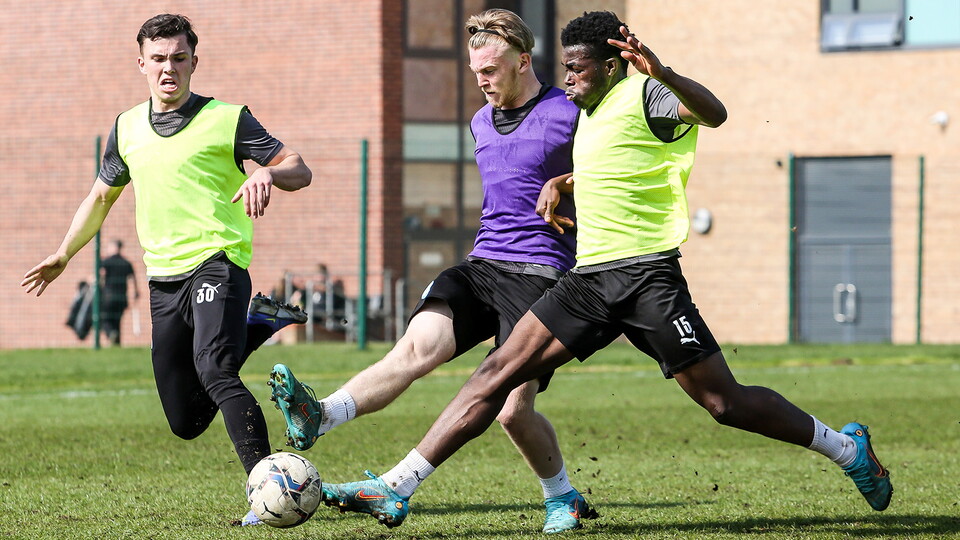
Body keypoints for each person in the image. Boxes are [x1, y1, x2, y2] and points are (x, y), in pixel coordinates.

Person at [310, 10, 893, 529]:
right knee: (495, 374)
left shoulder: (647, 95)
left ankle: (846, 449)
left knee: (724, 404)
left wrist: (663, 73)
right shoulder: (584, 112)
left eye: (578, 68)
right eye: (564, 67)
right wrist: (563, 182)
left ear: (612, 65)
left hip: (648, 279)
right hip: (588, 280)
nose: (567, 78)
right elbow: (612, 164)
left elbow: (713, 114)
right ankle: (397, 486)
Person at [268, 9, 596, 534]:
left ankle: (562, 497)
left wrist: (567, 182)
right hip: (482, 265)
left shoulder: (570, 112)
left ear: (523, 61)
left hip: (543, 275)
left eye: (490, 69)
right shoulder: (480, 121)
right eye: (475, 71)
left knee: (513, 411)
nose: (481, 80)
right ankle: (322, 413)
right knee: (414, 349)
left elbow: (614, 167)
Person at [20, 14, 311, 526]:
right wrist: (64, 253)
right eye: (158, 59)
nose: (168, 68)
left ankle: (267, 490)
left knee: (216, 371)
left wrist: (267, 172)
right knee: (185, 419)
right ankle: (259, 322)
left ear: (195, 62)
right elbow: (100, 197)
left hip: (218, 263)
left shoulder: (228, 118)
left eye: (179, 58)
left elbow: (298, 168)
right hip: (163, 280)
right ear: (141, 64)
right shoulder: (126, 127)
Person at [99, 239, 139, 345]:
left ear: (114, 247)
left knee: (103, 318)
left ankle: (111, 333)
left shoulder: (106, 262)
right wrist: (136, 292)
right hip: (122, 298)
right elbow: (133, 279)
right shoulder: (126, 263)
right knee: (117, 321)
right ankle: (116, 343)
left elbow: (100, 276)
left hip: (108, 296)